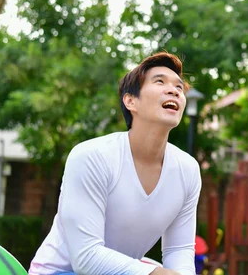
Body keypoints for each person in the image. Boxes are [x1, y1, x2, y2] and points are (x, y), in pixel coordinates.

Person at [29, 52, 202, 275]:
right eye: (159, 81)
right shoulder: (92, 156)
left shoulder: (187, 170)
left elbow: (179, 250)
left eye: (179, 87)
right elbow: (86, 258)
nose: (174, 91)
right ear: (130, 101)